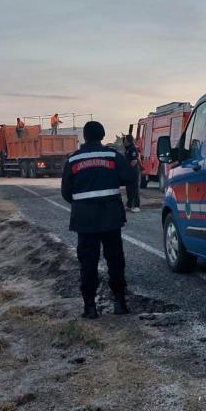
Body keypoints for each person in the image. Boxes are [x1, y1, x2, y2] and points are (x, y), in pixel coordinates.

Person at [61, 120, 136, 319]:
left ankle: (90, 308)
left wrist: (81, 204)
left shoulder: (73, 160)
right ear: (102, 136)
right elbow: (130, 177)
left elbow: (66, 192)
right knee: (115, 260)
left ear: (85, 137)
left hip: (85, 221)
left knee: (88, 263)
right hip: (110, 217)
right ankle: (120, 303)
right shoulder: (112, 156)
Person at [122, 134, 141, 212]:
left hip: (133, 172)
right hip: (128, 172)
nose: (124, 141)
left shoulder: (133, 149)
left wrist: (127, 168)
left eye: (125, 140)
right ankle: (129, 205)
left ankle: (136, 206)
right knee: (128, 189)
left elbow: (134, 161)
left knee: (134, 189)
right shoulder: (127, 149)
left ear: (128, 140)